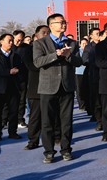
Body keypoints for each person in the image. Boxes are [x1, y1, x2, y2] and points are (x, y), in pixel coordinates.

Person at [33, 13, 82, 163]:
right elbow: (38, 62)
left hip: (67, 86)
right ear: (51, 25)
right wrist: (55, 54)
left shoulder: (72, 43)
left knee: (66, 121)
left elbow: (78, 62)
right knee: (47, 121)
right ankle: (49, 151)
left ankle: (66, 150)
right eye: (60, 22)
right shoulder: (40, 43)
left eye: (64, 22)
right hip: (48, 87)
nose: (64, 24)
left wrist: (68, 55)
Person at [0, 33, 23, 142]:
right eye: (9, 41)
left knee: (14, 111)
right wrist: (9, 72)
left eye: (12, 40)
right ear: (1, 41)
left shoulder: (16, 55)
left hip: (13, 88)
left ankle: (13, 132)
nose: (11, 43)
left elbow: (21, 69)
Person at [23, 25, 50, 150]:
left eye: (48, 32)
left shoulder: (53, 48)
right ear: (36, 35)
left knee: (52, 115)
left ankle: (55, 137)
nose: (46, 35)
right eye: (44, 32)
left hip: (51, 86)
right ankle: (33, 140)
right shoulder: (29, 50)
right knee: (35, 116)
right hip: (36, 87)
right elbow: (32, 66)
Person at [12, 29, 30, 128]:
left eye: (21, 40)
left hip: (23, 78)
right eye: (17, 40)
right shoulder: (9, 48)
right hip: (10, 79)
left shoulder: (27, 48)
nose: (19, 42)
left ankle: (20, 120)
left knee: (22, 100)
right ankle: (5, 120)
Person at [75, 38, 89, 110]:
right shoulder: (78, 51)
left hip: (87, 72)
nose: (84, 45)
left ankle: (87, 104)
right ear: (80, 44)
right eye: (83, 43)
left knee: (86, 89)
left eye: (86, 44)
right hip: (79, 72)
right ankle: (81, 105)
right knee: (79, 89)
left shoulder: (89, 50)